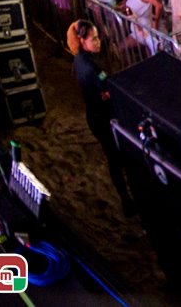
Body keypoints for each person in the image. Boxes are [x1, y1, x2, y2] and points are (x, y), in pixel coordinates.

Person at [67, 20, 135, 215]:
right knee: (115, 159)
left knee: (114, 157)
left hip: (96, 114)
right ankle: (126, 201)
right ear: (82, 40)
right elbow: (104, 90)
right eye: (94, 39)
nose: (98, 42)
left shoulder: (82, 60)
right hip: (102, 118)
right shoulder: (88, 67)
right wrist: (108, 93)